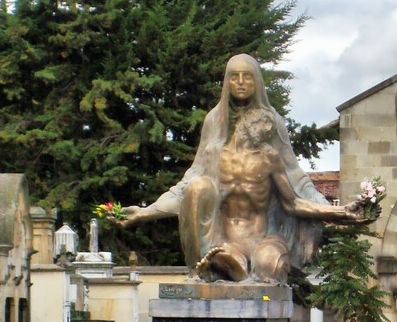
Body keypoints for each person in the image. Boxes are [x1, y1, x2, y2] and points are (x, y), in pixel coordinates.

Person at [117, 53, 371, 283]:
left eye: (247, 77)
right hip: (226, 238)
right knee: (199, 188)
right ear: (226, 83)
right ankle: (212, 267)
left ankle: (240, 269)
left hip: (263, 236)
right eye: (233, 77)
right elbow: (188, 186)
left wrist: (338, 212)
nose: (240, 82)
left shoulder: (271, 135)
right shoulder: (215, 134)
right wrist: (145, 212)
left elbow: (296, 185)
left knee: (268, 267)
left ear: (257, 83)